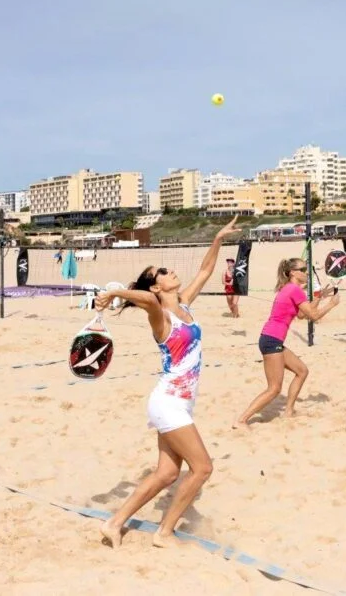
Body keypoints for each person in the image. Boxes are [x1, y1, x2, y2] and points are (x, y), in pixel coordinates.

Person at [92, 217, 241, 549]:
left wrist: (217, 238)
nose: (169, 272)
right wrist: (116, 291)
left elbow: (204, 271)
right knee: (202, 468)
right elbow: (146, 301)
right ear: (156, 287)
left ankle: (114, 524)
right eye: (162, 272)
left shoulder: (184, 304)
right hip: (169, 402)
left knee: (166, 475)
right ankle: (164, 533)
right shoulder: (161, 316)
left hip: (181, 401)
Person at [234, 258, 340, 428]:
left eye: (306, 269)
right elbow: (314, 316)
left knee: (302, 371)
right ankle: (241, 420)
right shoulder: (294, 290)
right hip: (271, 340)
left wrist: (320, 297)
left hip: (272, 339)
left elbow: (301, 315)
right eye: (303, 269)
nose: (306, 273)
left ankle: (288, 411)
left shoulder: (290, 289)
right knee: (274, 389)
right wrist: (332, 305)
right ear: (292, 272)